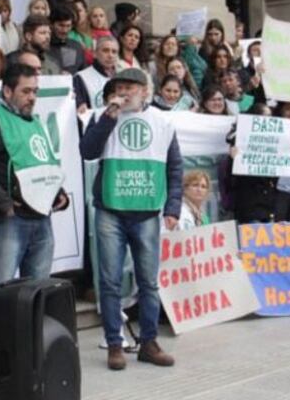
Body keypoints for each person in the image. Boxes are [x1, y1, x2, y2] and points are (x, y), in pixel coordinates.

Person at [79, 68, 182, 370]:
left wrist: (173, 208)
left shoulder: (163, 123)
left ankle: (148, 342)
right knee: (110, 282)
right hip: (111, 210)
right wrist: (110, 116)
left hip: (147, 212)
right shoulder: (103, 116)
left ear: (145, 92)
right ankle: (115, 344)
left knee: (148, 283)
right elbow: (87, 151)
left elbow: (174, 168)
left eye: (131, 87)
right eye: (119, 87)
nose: (124, 92)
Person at [0, 64, 70, 298]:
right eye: (26, 91)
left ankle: (31, 336)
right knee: (0, 294)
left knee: (39, 294)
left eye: (35, 91)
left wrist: (58, 192)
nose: (32, 98)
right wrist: (3, 203)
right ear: (7, 92)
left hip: (42, 219)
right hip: (10, 221)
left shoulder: (35, 121)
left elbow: (41, 164)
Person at [75, 35, 119, 110]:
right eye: (105, 50)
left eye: (114, 52)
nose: (110, 55)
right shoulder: (81, 77)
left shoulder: (121, 77)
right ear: (95, 54)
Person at [49, 3, 88, 74]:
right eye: (61, 25)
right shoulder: (43, 47)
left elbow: (83, 74)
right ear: (51, 24)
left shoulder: (76, 47)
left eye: (68, 26)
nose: (65, 30)